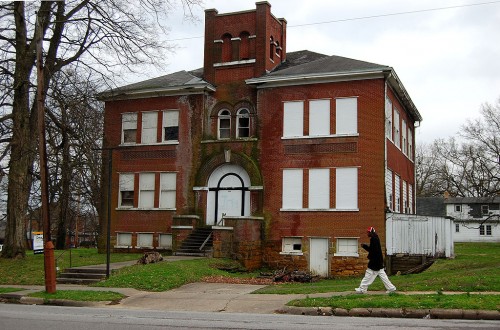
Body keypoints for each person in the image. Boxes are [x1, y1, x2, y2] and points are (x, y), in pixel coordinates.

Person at [355, 226, 397, 294]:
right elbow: (373, 250)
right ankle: (391, 288)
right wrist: (365, 246)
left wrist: (365, 247)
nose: (367, 233)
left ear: (371, 232)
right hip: (378, 261)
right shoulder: (375, 238)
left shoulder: (373, 239)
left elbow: (373, 251)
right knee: (382, 275)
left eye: (368, 232)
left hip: (375, 261)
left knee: (368, 275)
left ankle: (362, 289)